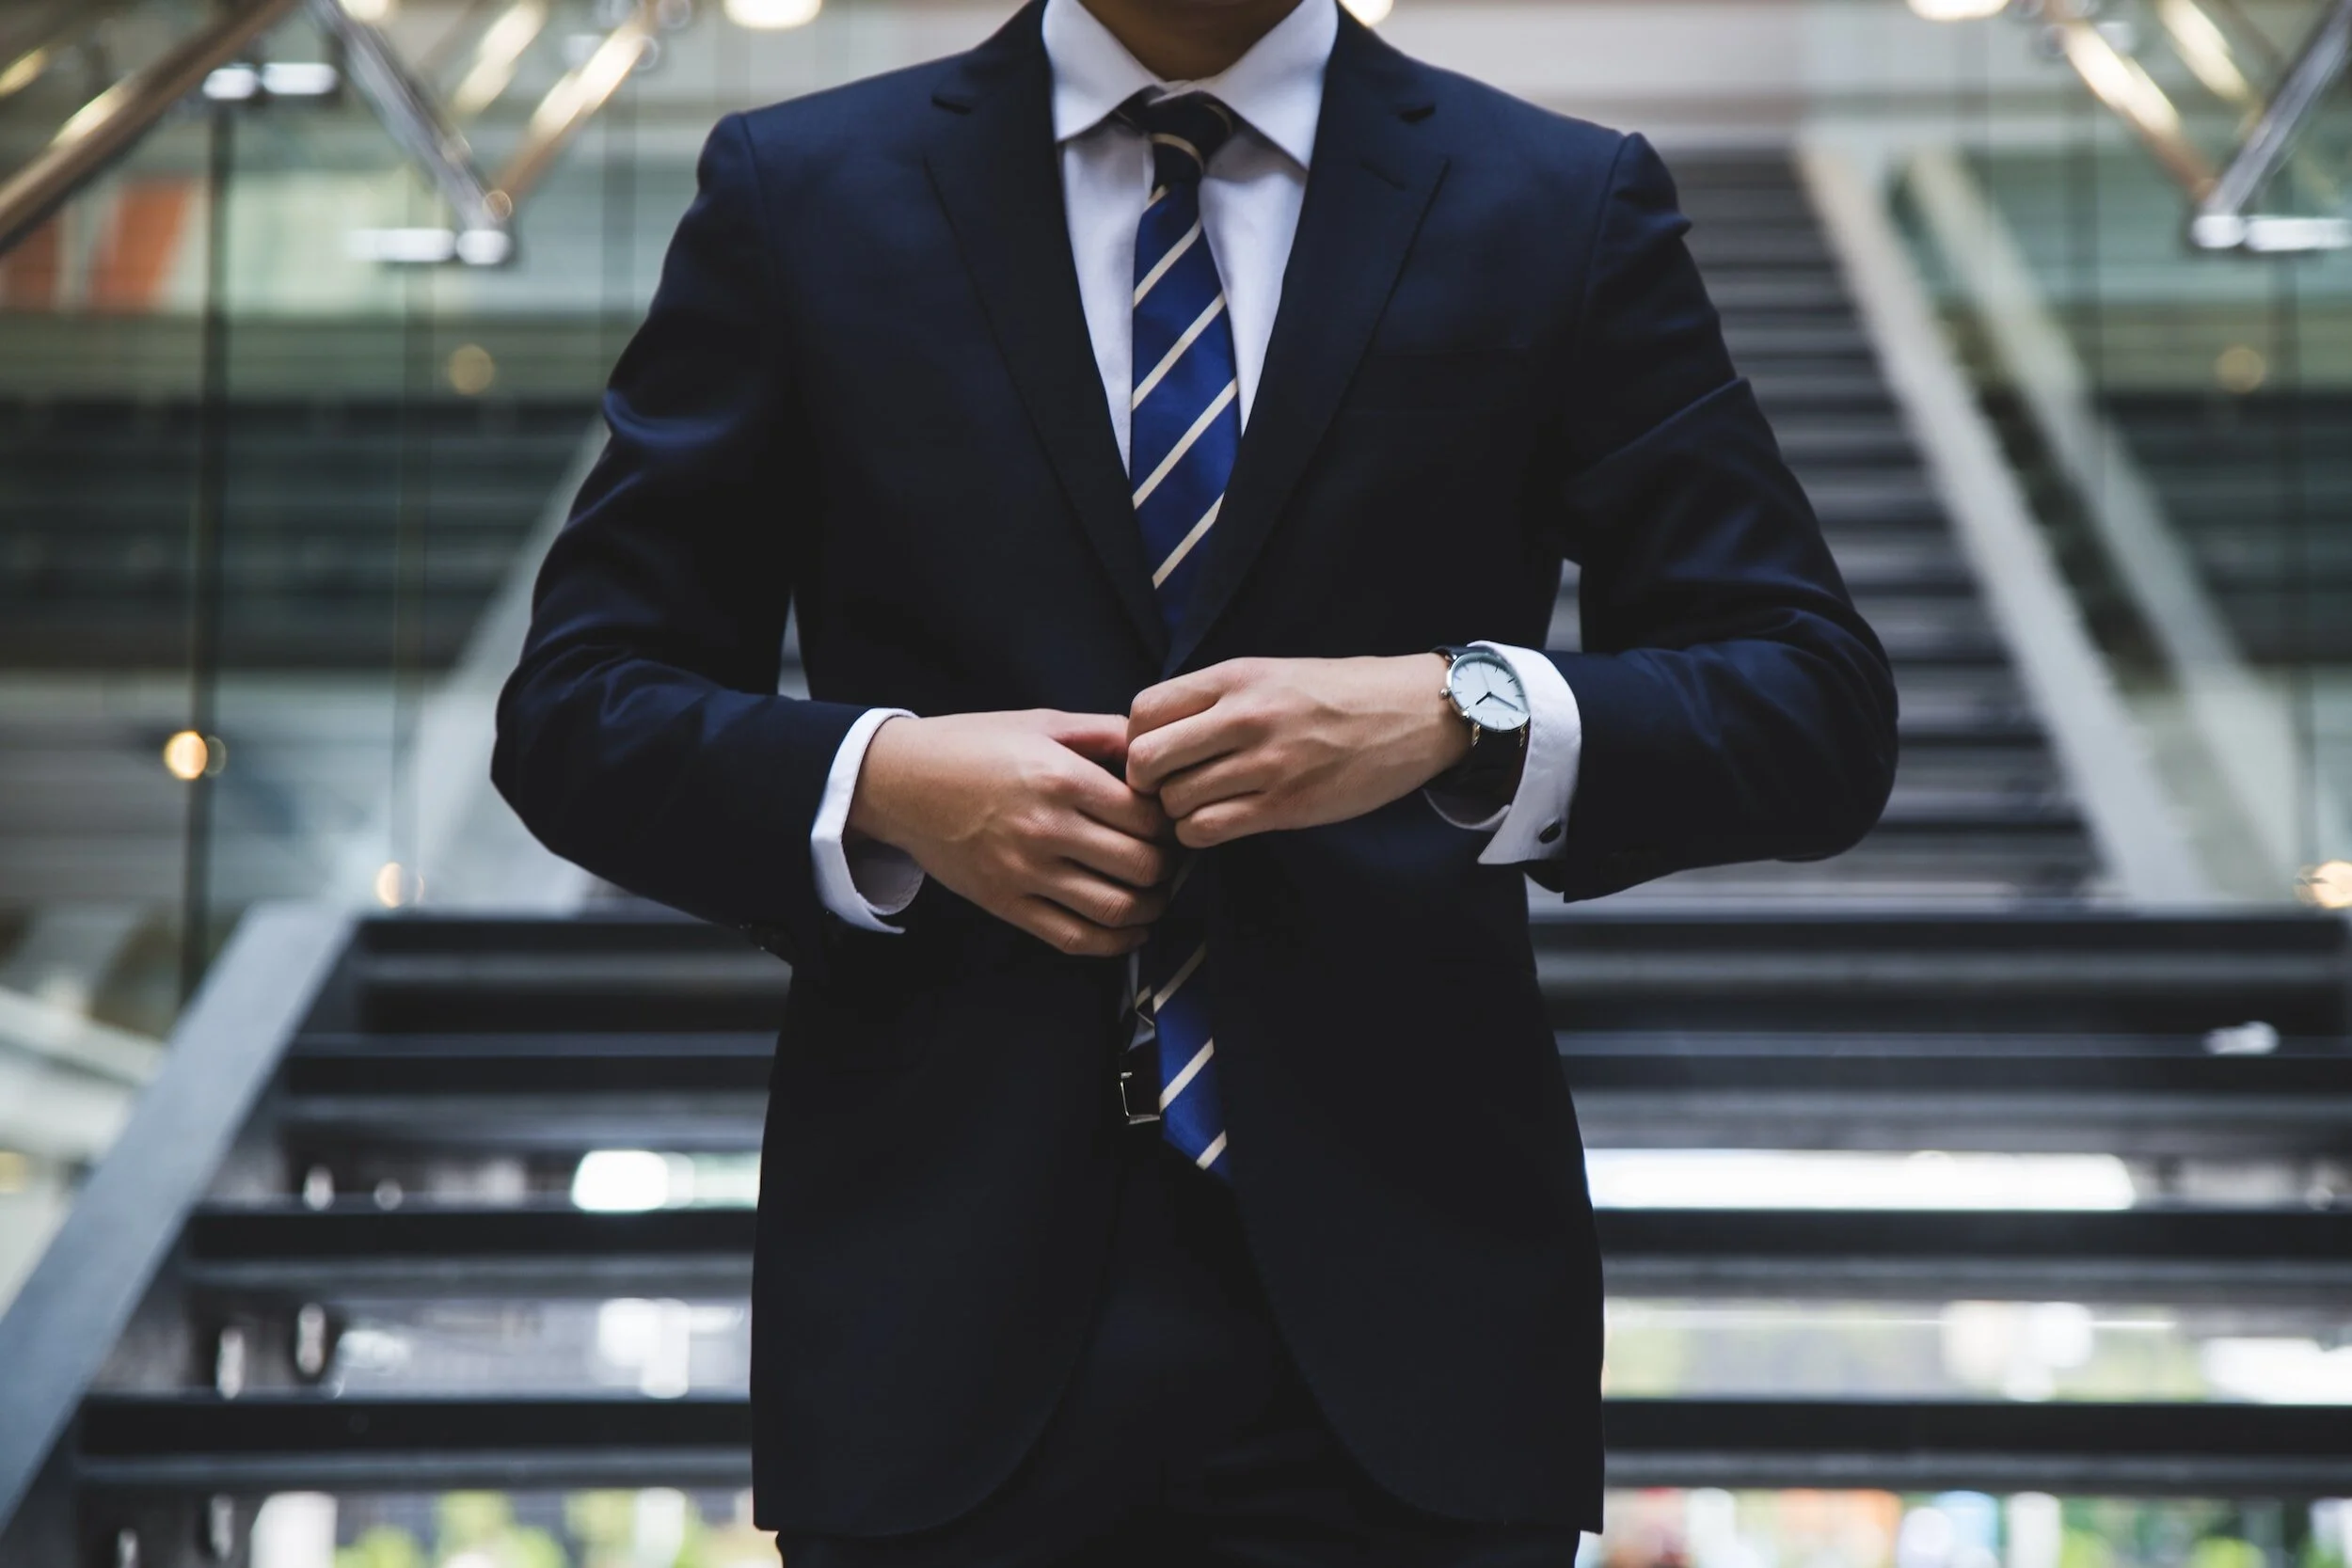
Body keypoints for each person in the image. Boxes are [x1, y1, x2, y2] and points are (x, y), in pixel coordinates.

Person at [491, 0, 1897, 1554]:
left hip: (1410, 1342)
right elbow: (576, 706)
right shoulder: (802, 189)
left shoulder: (1557, 199)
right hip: (934, 1324)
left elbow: (1810, 701)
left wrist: (1461, 707)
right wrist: (883, 778)